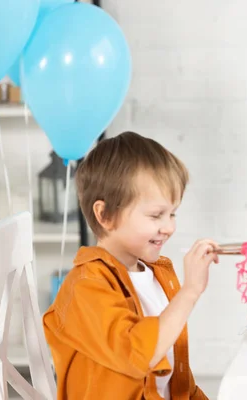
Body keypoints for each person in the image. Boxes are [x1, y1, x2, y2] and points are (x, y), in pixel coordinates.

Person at [44, 131, 217, 399]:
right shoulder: (86, 286)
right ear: (105, 215)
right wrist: (190, 291)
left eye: (172, 213)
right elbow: (138, 354)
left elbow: (177, 382)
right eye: (156, 215)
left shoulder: (158, 274)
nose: (169, 227)